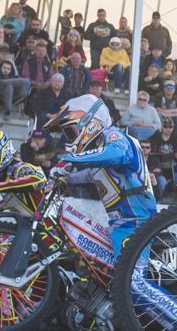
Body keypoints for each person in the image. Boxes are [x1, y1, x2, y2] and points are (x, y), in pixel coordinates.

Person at [51, 94, 160, 250]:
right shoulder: (100, 151)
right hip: (120, 223)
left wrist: (72, 159)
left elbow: (118, 153)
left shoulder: (114, 135)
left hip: (137, 222)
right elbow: (90, 175)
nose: (70, 137)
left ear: (89, 122)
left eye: (70, 131)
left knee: (128, 274)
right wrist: (64, 178)